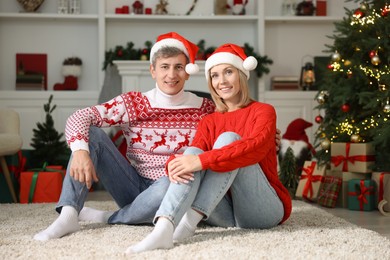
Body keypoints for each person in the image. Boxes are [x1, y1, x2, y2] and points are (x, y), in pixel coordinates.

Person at [33, 32, 281, 242]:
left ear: (188, 73)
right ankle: (68, 213)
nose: (171, 75)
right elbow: (80, 117)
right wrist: (80, 150)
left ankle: (108, 217)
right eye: (164, 67)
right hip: (132, 184)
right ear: (153, 70)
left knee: (181, 173)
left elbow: (237, 128)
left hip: (175, 183)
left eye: (178, 68)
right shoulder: (133, 102)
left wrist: (270, 138)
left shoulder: (206, 108)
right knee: (92, 134)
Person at [128, 43, 292, 254]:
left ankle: (187, 225)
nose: (221, 81)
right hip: (222, 212)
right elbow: (193, 154)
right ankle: (164, 227)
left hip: (262, 210)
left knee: (228, 140)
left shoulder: (263, 111)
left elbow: (256, 147)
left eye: (228, 72)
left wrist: (201, 161)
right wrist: (174, 164)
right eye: (214, 75)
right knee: (194, 153)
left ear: (241, 74)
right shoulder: (209, 121)